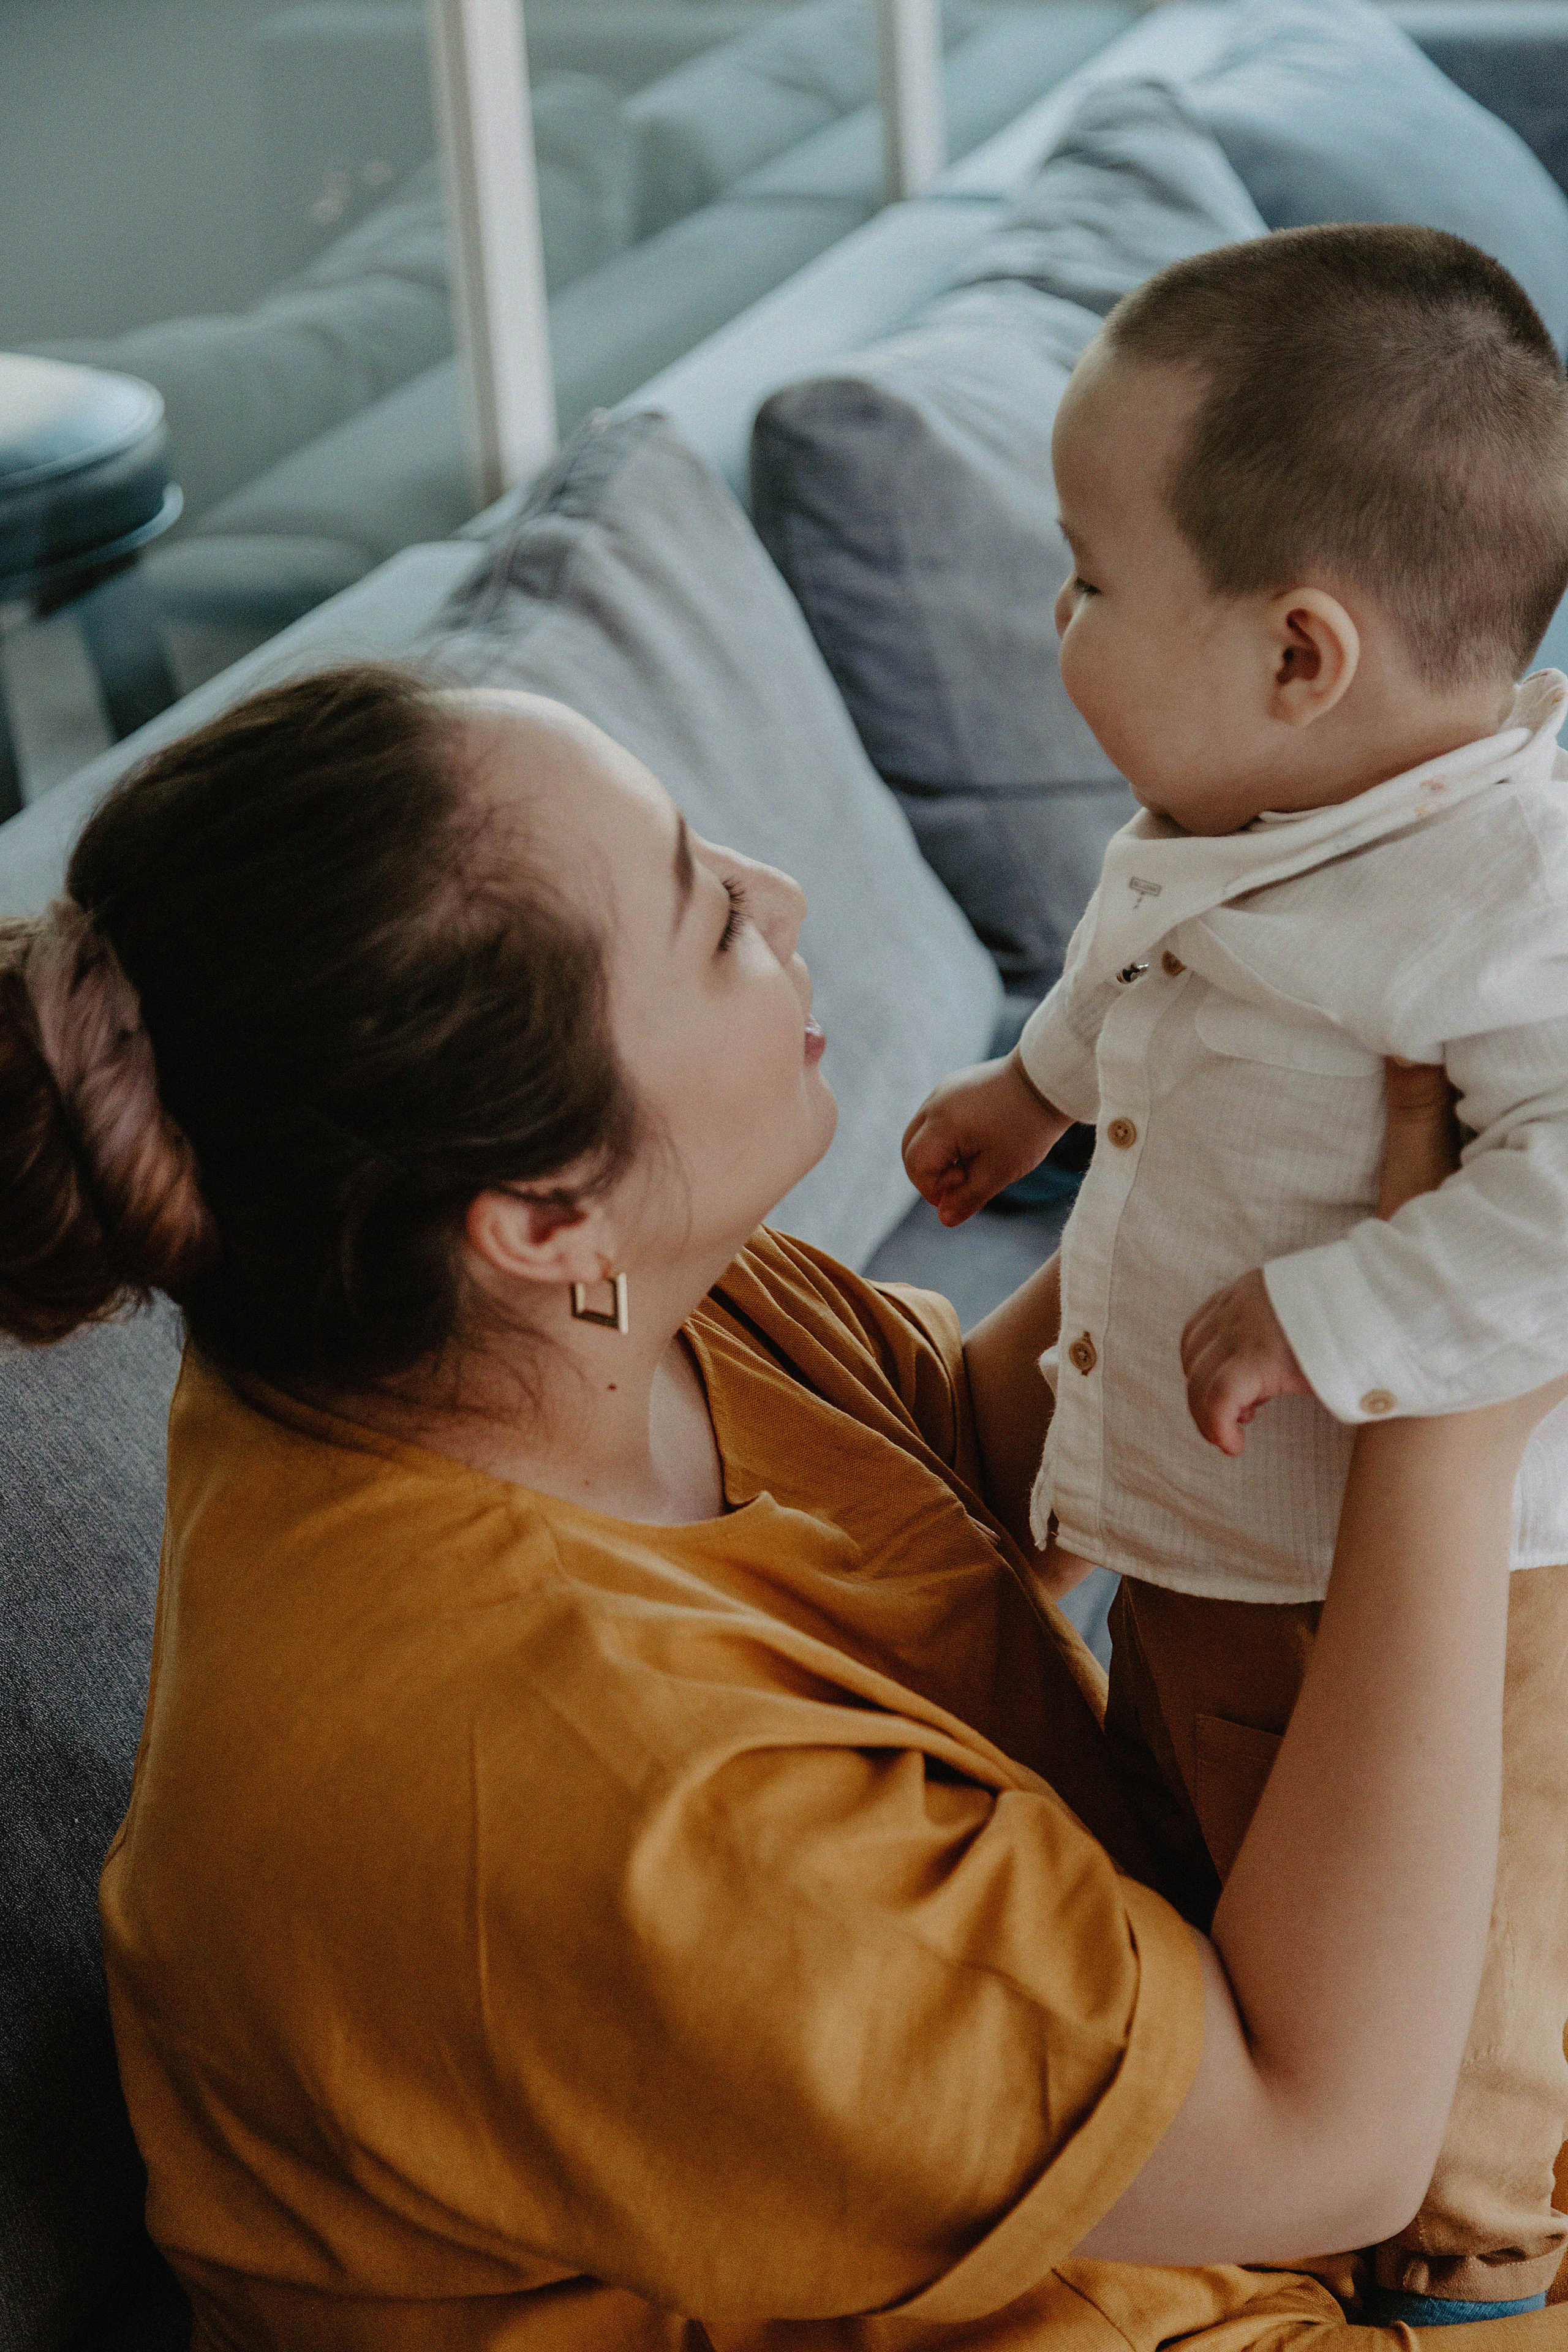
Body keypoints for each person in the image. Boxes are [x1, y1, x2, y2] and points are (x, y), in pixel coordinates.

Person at [0, 665, 1560, 2351]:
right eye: (712, 917)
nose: (787, 892)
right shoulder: (602, 1800)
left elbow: (965, 1487)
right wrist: (1447, 1393)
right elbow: (1328, 2145)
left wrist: (1251, 1121)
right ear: (538, 1211)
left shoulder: (507, 1330)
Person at [902, 224, 1568, 2326]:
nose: (1057, 616)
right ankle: (1287, 2188)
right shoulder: (1226, 811)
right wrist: (1028, 1097)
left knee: (1463, 2010)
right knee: (1210, 1872)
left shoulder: (1507, 898)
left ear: (1303, 653)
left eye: (1088, 575)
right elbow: (1140, 976)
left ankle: (1480, 2267)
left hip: (1470, 1624)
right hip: (1201, 1550)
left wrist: (1344, 1314)